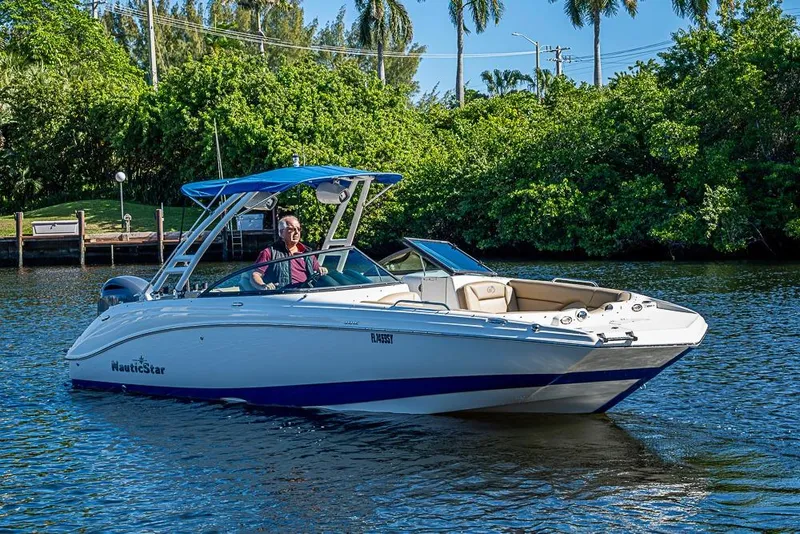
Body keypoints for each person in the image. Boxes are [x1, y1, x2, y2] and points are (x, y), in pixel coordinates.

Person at [250, 215, 327, 290]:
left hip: (307, 294)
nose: (297, 232)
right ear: (281, 233)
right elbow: (255, 275)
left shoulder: (307, 253)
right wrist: (263, 286)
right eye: (291, 229)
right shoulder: (269, 252)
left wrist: (322, 269)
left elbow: (317, 269)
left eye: (298, 229)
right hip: (283, 296)